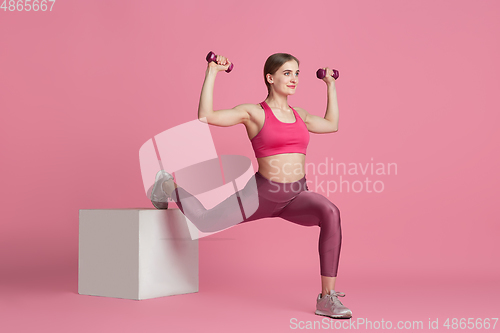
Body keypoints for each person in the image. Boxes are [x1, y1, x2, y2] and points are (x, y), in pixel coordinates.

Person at [150, 53, 351, 319]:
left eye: (297, 73)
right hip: (261, 194)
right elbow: (206, 116)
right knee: (205, 221)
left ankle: (327, 298)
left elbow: (331, 125)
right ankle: (166, 185)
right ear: (270, 77)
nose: (294, 79)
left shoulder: (299, 114)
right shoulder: (254, 112)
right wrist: (212, 72)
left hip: (295, 195)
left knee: (331, 212)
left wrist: (331, 85)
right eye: (287, 73)